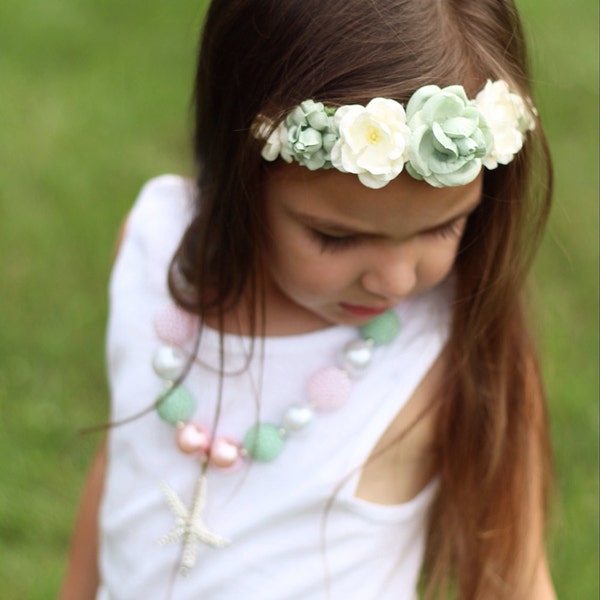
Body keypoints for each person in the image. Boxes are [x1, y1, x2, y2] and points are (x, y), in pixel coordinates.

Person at [60, 0, 557, 598]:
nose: (395, 280)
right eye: (337, 236)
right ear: (242, 169)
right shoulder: (153, 241)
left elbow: (517, 580)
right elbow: (120, 463)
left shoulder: (452, 349)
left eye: (442, 227)